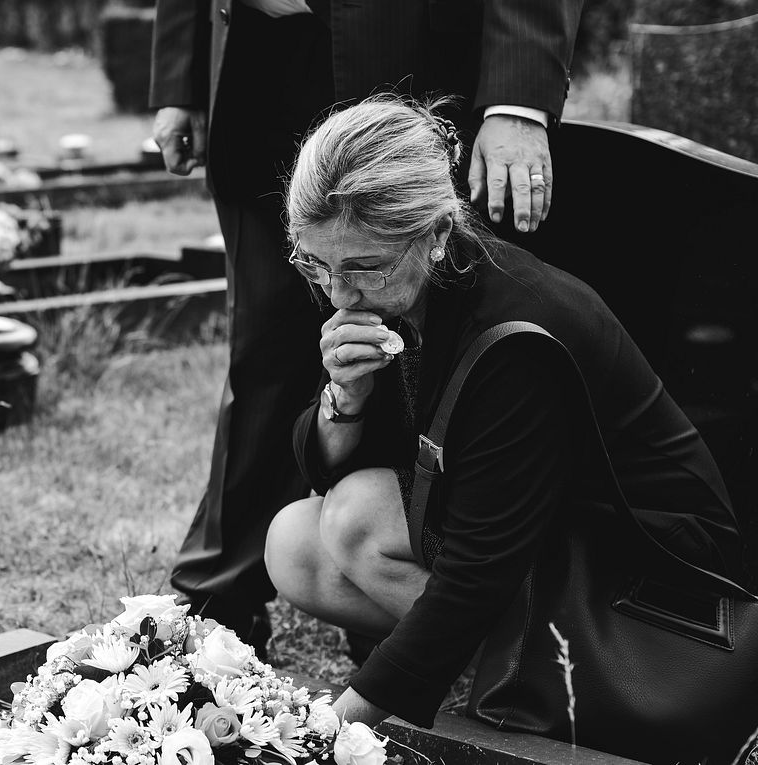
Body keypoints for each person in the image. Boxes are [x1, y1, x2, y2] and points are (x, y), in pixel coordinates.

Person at [263, 95, 749, 754]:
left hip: (649, 571)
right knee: (295, 540)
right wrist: (344, 394)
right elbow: (329, 464)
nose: (339, 293)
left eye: (360, 268)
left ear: (435, 235)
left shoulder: (515, 336)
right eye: (318, 265)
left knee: (358, 517)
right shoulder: (396, 281)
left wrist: (329, 731)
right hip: (537, 530)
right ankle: (492, 669)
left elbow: (477, 567)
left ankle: (535, 677)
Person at [148, 0, 585, 654]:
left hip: (411, 46)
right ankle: (222, 593)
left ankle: (456, 610)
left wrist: (517, 96)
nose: (338, 291)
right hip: (257, 55)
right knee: (267, 341)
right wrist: (180, 76)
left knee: (429, 330)